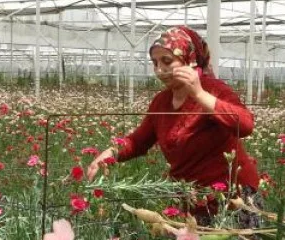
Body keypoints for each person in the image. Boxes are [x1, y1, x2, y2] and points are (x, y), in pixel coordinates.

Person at [86, 25, 262, 227]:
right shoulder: (161, 101)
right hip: (192, 199)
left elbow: (245, 125)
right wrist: (110, 153)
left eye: (167, 61)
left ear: (189, 59)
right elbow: (138, 141)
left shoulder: (214, 89)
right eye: (155, 63)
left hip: (231, 197)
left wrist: (199, 94)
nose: (159, 70)